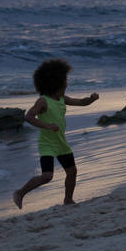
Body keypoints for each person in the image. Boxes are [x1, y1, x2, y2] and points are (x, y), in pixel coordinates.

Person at [12, 58, 99, 209]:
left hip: (61, 142)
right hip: (47, 144)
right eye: (65, 81)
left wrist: (91, 100)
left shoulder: (61, 99)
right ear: (56, 83)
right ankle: (20, 193)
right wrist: (47, 125)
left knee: (72, 172)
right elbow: (28, 117)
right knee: (47, 176)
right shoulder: (43, 101)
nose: (67, 84)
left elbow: (80, 102)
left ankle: (68, 200)